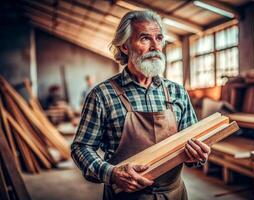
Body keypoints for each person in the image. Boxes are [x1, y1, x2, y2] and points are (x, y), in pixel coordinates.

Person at [71, 10, 211, 200]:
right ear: (125, 46)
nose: (155, 46)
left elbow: (192, 149)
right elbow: (81, 147)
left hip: (175, 195)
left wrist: (198, 155)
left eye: (159, 38)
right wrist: (111, 174)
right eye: (145, 39)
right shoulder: (102, 95)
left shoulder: (178, 92)